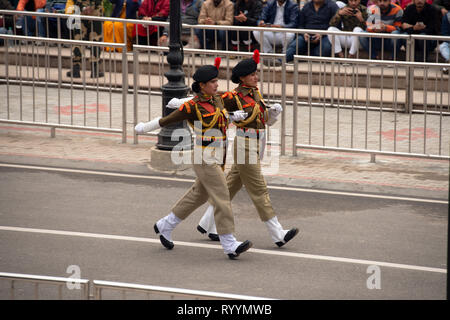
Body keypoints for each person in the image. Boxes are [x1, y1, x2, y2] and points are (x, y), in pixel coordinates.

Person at [134, 59, 253, 260]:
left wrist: (234, 117)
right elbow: (166, 120)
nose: (217, 84)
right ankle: (229, 243)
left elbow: (221, 117)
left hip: (219, 155)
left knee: (197, 195)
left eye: (217, 80)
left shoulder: (217, 100)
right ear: (202, 85)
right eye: (213, 81)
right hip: (204, 156)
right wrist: (144, 128)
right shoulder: (192, 107)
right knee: (222, 195)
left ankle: (165, 225)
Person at [196, 50, 300, 249]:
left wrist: (273, 113)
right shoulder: (233, 97)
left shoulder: (256, 94)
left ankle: (207, 224)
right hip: (245, 145)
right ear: (242, 78)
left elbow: (265, 121)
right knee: (259, 190)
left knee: (228, 188)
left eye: (256, 73)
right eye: (252, 74)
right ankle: (278, 233)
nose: (256, 77)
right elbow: (206, 101)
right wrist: (182, 104)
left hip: (257, 144)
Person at [66, 0, 105, 78]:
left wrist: (83, 7)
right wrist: (92, 6)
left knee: (78, 40)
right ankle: (94, 70)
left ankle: (76, 69)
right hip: (95, 11)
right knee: (95, 40)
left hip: (80, 10)